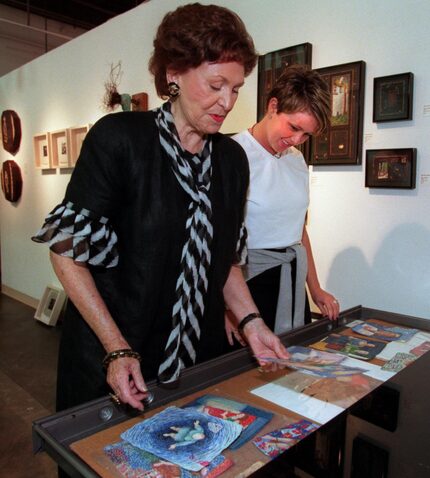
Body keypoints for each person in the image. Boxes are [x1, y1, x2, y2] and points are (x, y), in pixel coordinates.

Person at [32, 3, 288, 417]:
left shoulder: (231, 161)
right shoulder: (120, 141)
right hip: (115, 358)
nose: (227, 101)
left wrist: (252, 323)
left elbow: (224, 262)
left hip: (196, 360)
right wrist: (116, 349)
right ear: (173, 73)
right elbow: (66, 253)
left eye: (236, 88)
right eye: (216, 84)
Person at [226, 65, 340, 347]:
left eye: (306, 135)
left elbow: (298, 231)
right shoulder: (232, 155)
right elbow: (216, 245)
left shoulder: (297, 161)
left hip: (291, 285)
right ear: (273, 106)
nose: (296, 140)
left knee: (291, 372)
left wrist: (315, 289)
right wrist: (228, 311)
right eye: (294, 127)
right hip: (247, 289)